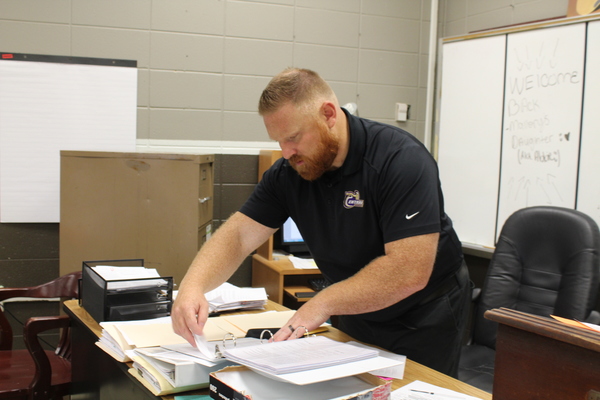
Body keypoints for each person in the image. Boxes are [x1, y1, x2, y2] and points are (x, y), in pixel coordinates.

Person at [172, 67, 470, 377]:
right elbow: (238, 236)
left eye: (293, 138)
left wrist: (323, 302)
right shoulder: (290, 172)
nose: (286, 152)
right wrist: (193, 287)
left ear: (328, 114)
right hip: (355, 306)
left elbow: (409, 270)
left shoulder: (400, 160)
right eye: (278, 141)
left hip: (424, 314)